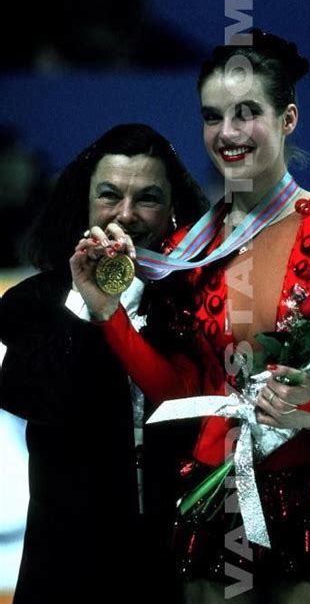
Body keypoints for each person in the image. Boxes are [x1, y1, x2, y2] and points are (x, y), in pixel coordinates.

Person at [70, 32, 310, 603]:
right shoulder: (186, 253)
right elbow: (181, 392)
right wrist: (109, 314)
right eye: (212, 117)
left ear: (288, 119)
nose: (227, 133)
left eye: (246, 113)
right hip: (213, 500)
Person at [0, 123, 209, 604]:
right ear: (86, 203)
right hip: (67, 566)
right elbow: (35, 399)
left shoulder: (199, 300)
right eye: (110, 195)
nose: (126, 215)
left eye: (148, 199)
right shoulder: (34, 303)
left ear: (173, 208)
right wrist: (84, 303)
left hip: (175, 561)